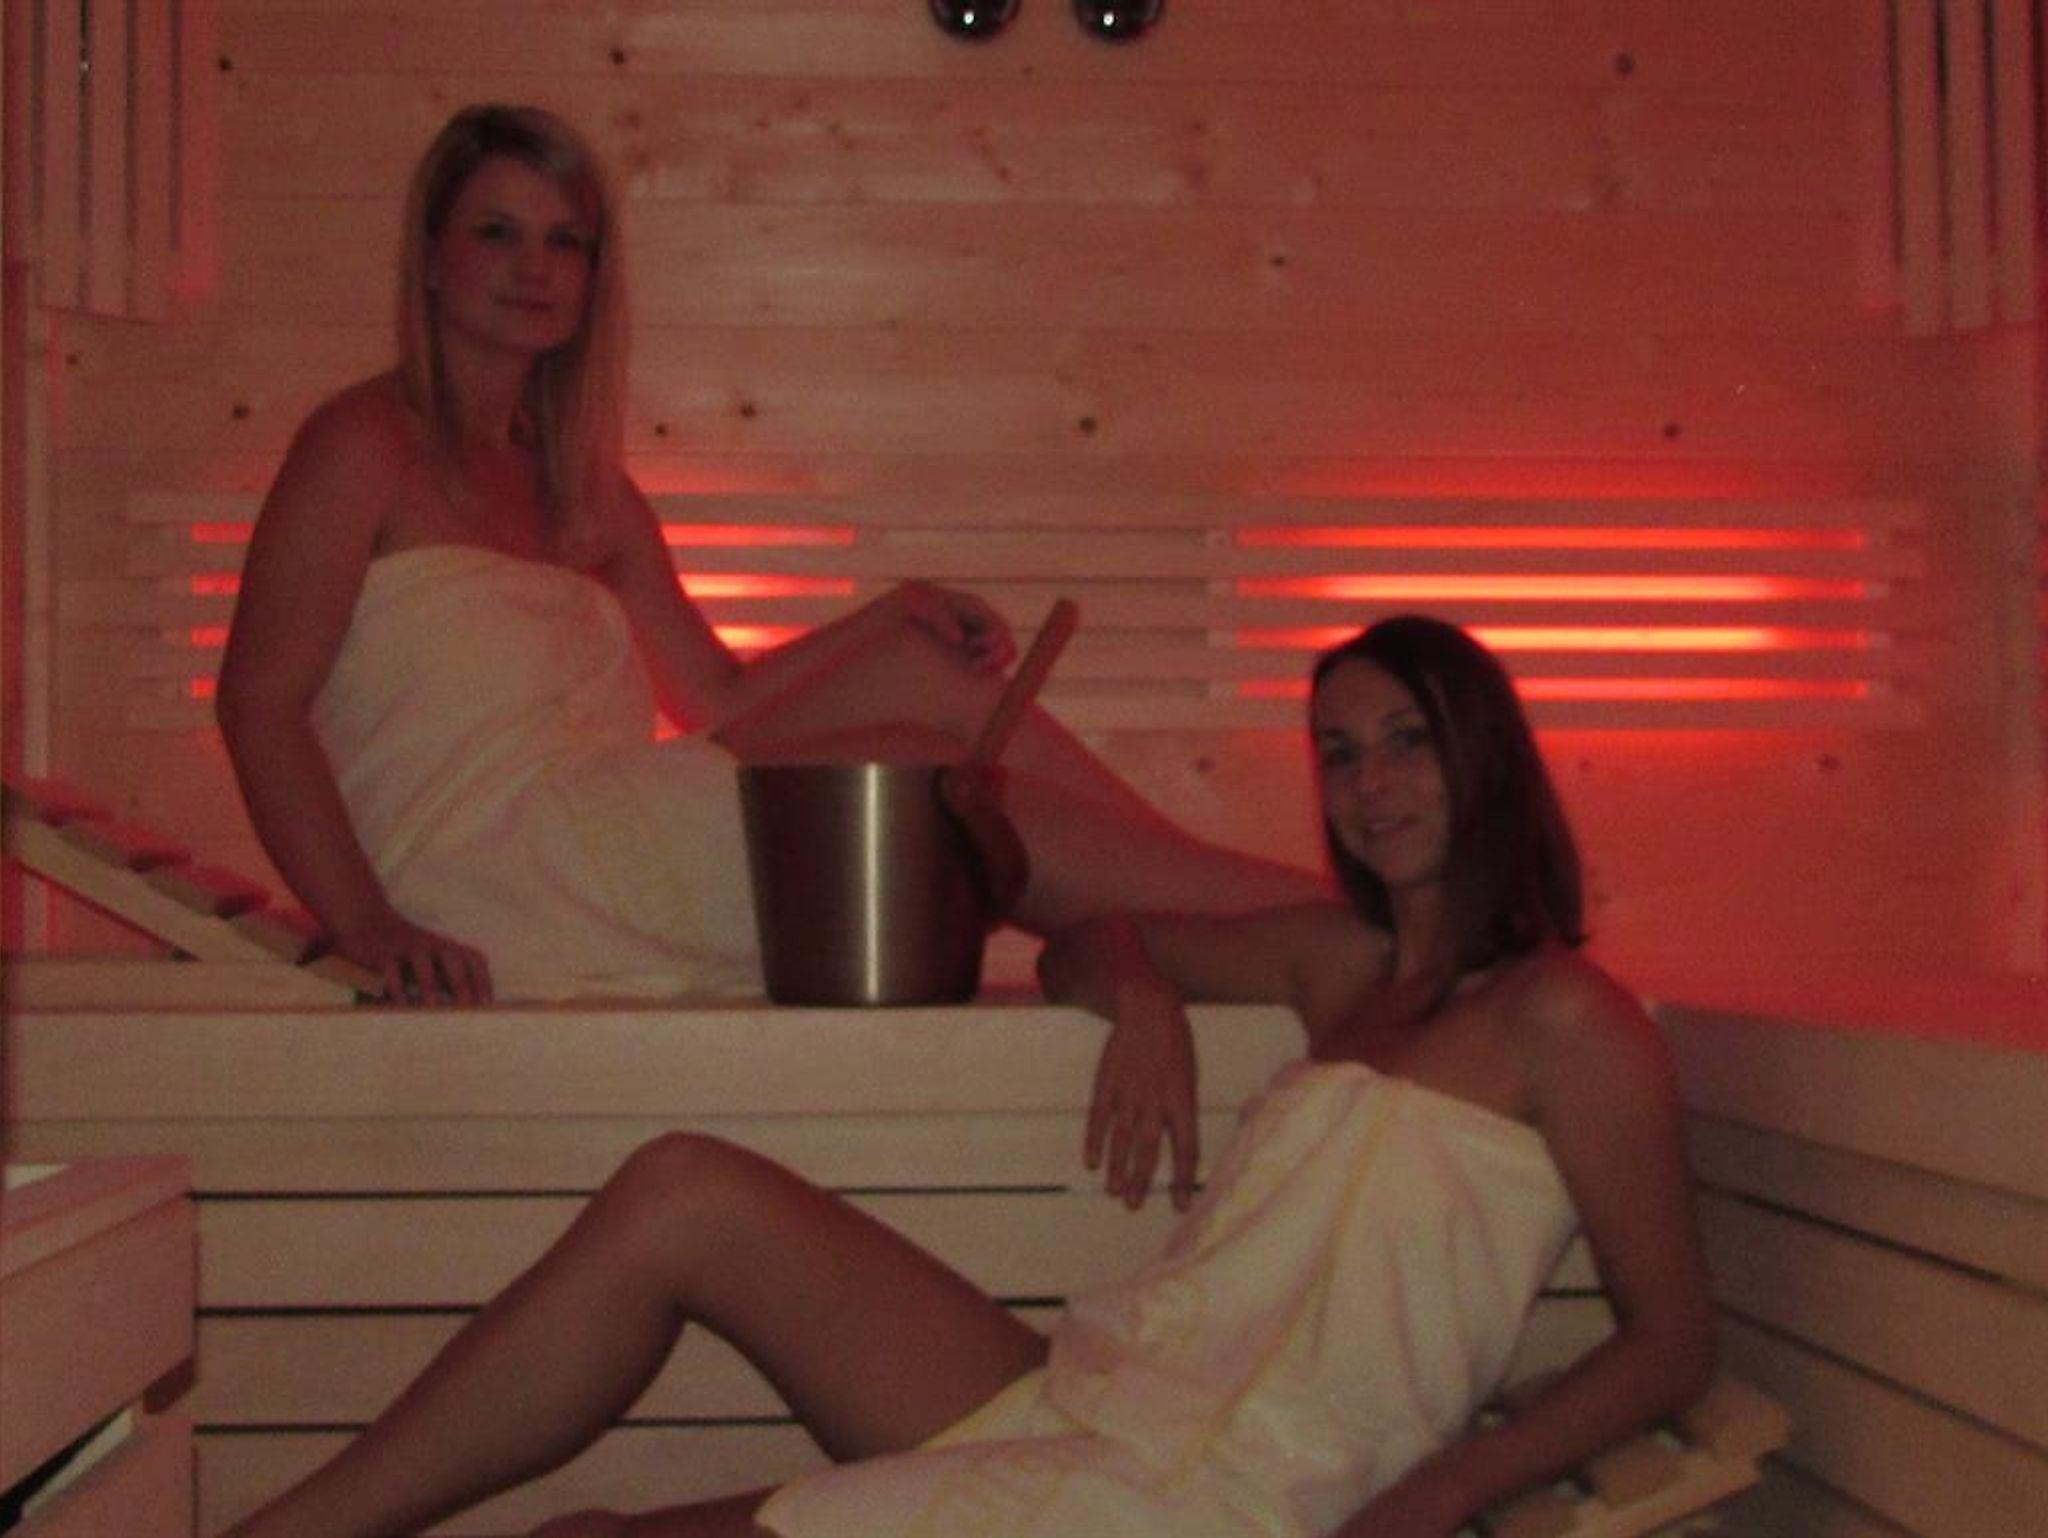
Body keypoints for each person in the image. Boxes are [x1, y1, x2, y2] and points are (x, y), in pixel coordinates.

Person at [215, 615, 1716, 1538]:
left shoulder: (1569, 1020)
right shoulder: (1340, 961)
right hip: (1099, 1400)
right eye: (1337, 753)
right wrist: (1139, 992)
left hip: (1227, 1496)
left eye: (1406, 744)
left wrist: (1433, 1496)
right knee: (685, 1188)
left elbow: (1670, 1342)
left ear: (1482, 754)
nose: (1370, 784)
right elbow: (1087, 938)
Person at [213, 103, 1321, 1004]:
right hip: (490, 880)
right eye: (496, 232)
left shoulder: (588, 491)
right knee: (913, 782)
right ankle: (1311, 921)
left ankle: (1250, 917)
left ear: (593, 276)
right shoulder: (364, 444)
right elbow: (258, 704)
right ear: (430, 258)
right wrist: (367, 923)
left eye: (564, 241)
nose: (532, 266)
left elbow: (713, 698)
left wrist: (889, 612)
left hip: (600, 832)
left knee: (925, 678)